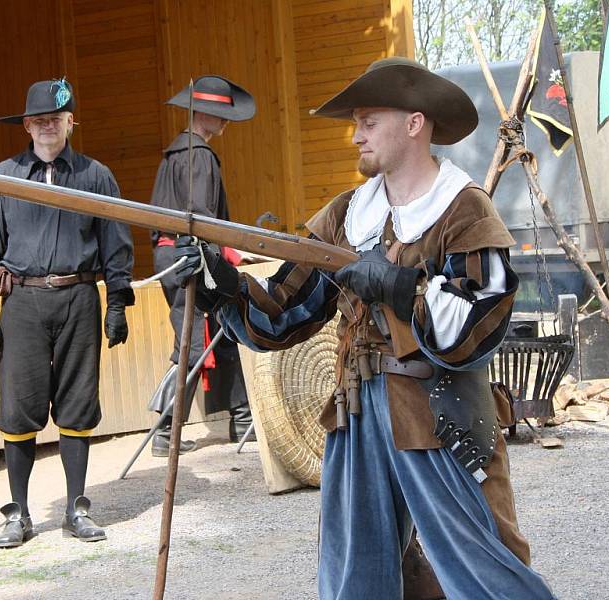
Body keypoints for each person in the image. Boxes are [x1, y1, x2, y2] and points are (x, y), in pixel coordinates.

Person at [173, 58, 557, 599]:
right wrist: (225, 284)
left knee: (484, 564)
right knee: (357, 571)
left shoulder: (463, 209)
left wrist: (402, 286)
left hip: (438, 414)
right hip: (357, 410)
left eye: (368, 121)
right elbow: (287, 307)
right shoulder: (348, 213)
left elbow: (481, 320)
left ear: (414, 123)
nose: (355, 136)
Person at [0, 78, 135, 548]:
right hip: (21, 302)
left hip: (80, 299)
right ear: (26, 125)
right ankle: (18, 514)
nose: (47, 129)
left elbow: (115, 242)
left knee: (79, 403)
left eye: (55, 120)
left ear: (70, 122)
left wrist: (117, 301)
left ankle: (77, 508)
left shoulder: (96, 176)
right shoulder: (1, 176)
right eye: (39, 121)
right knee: (18, 407)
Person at [147, 76, 257, 457]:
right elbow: (199, 218)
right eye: (219, 114)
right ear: (204, 115)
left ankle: (242, 419)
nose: (225, 122)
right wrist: (224, 254)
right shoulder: (198, 155)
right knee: (194, 343)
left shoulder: (180, 153)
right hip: (189, 256)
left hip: (179, 253)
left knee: (223, 332)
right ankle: (163, 428)